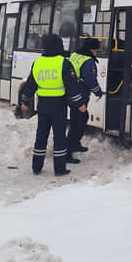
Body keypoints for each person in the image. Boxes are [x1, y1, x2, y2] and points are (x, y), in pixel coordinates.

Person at [20, 34, 79, 176]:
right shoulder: (64, 63)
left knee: (41, 137)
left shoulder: (38, 63)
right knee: (59, 138)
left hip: (43, 106)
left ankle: (36, 167)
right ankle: (59, 169)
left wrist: (25, 101)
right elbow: (71, 87)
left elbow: (30, 85)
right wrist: (79, 103)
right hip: (59, 106)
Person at [67, 38, 104, 162]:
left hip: (72, 93)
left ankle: (75, 144)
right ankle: (68, 152)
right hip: (80, 95)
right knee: (79, 122)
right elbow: (89, 80)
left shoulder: (75, 55)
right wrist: (98, 91)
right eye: (95, 49)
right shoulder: (88, 62)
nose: (96, 52)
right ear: (91, 49)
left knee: (75, 121)